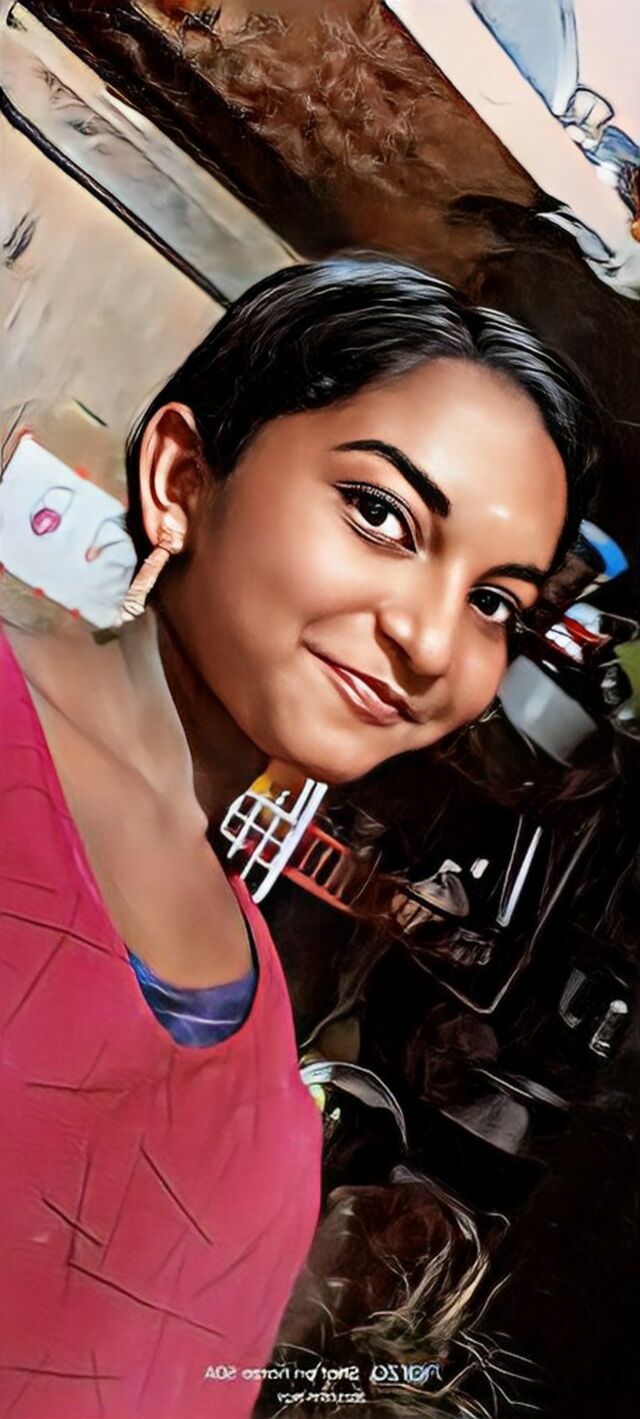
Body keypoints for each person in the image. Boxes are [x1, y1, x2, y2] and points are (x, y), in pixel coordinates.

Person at [0, 254, 598, 1419]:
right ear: (182, 476)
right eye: (380, 515)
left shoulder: (259, 1010)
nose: (432, 641)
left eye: (493, 603)